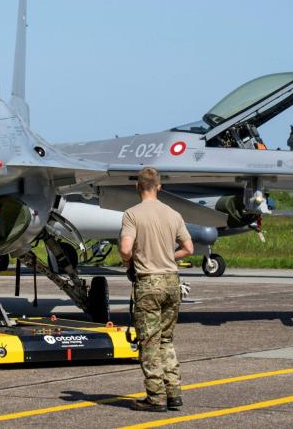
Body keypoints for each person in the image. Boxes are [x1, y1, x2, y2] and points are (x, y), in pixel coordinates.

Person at [119, 167, 194, 412]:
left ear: (137, 187)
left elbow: (125, 248)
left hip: (149, 283)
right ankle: (174, 393)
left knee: (149, 342)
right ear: (159, 187)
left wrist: (130, 263)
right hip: (172, 281)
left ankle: (156, 397)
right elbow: (189, 248)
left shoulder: (132, 214)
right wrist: (166, 256)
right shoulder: (173, 214)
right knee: (166, 340)